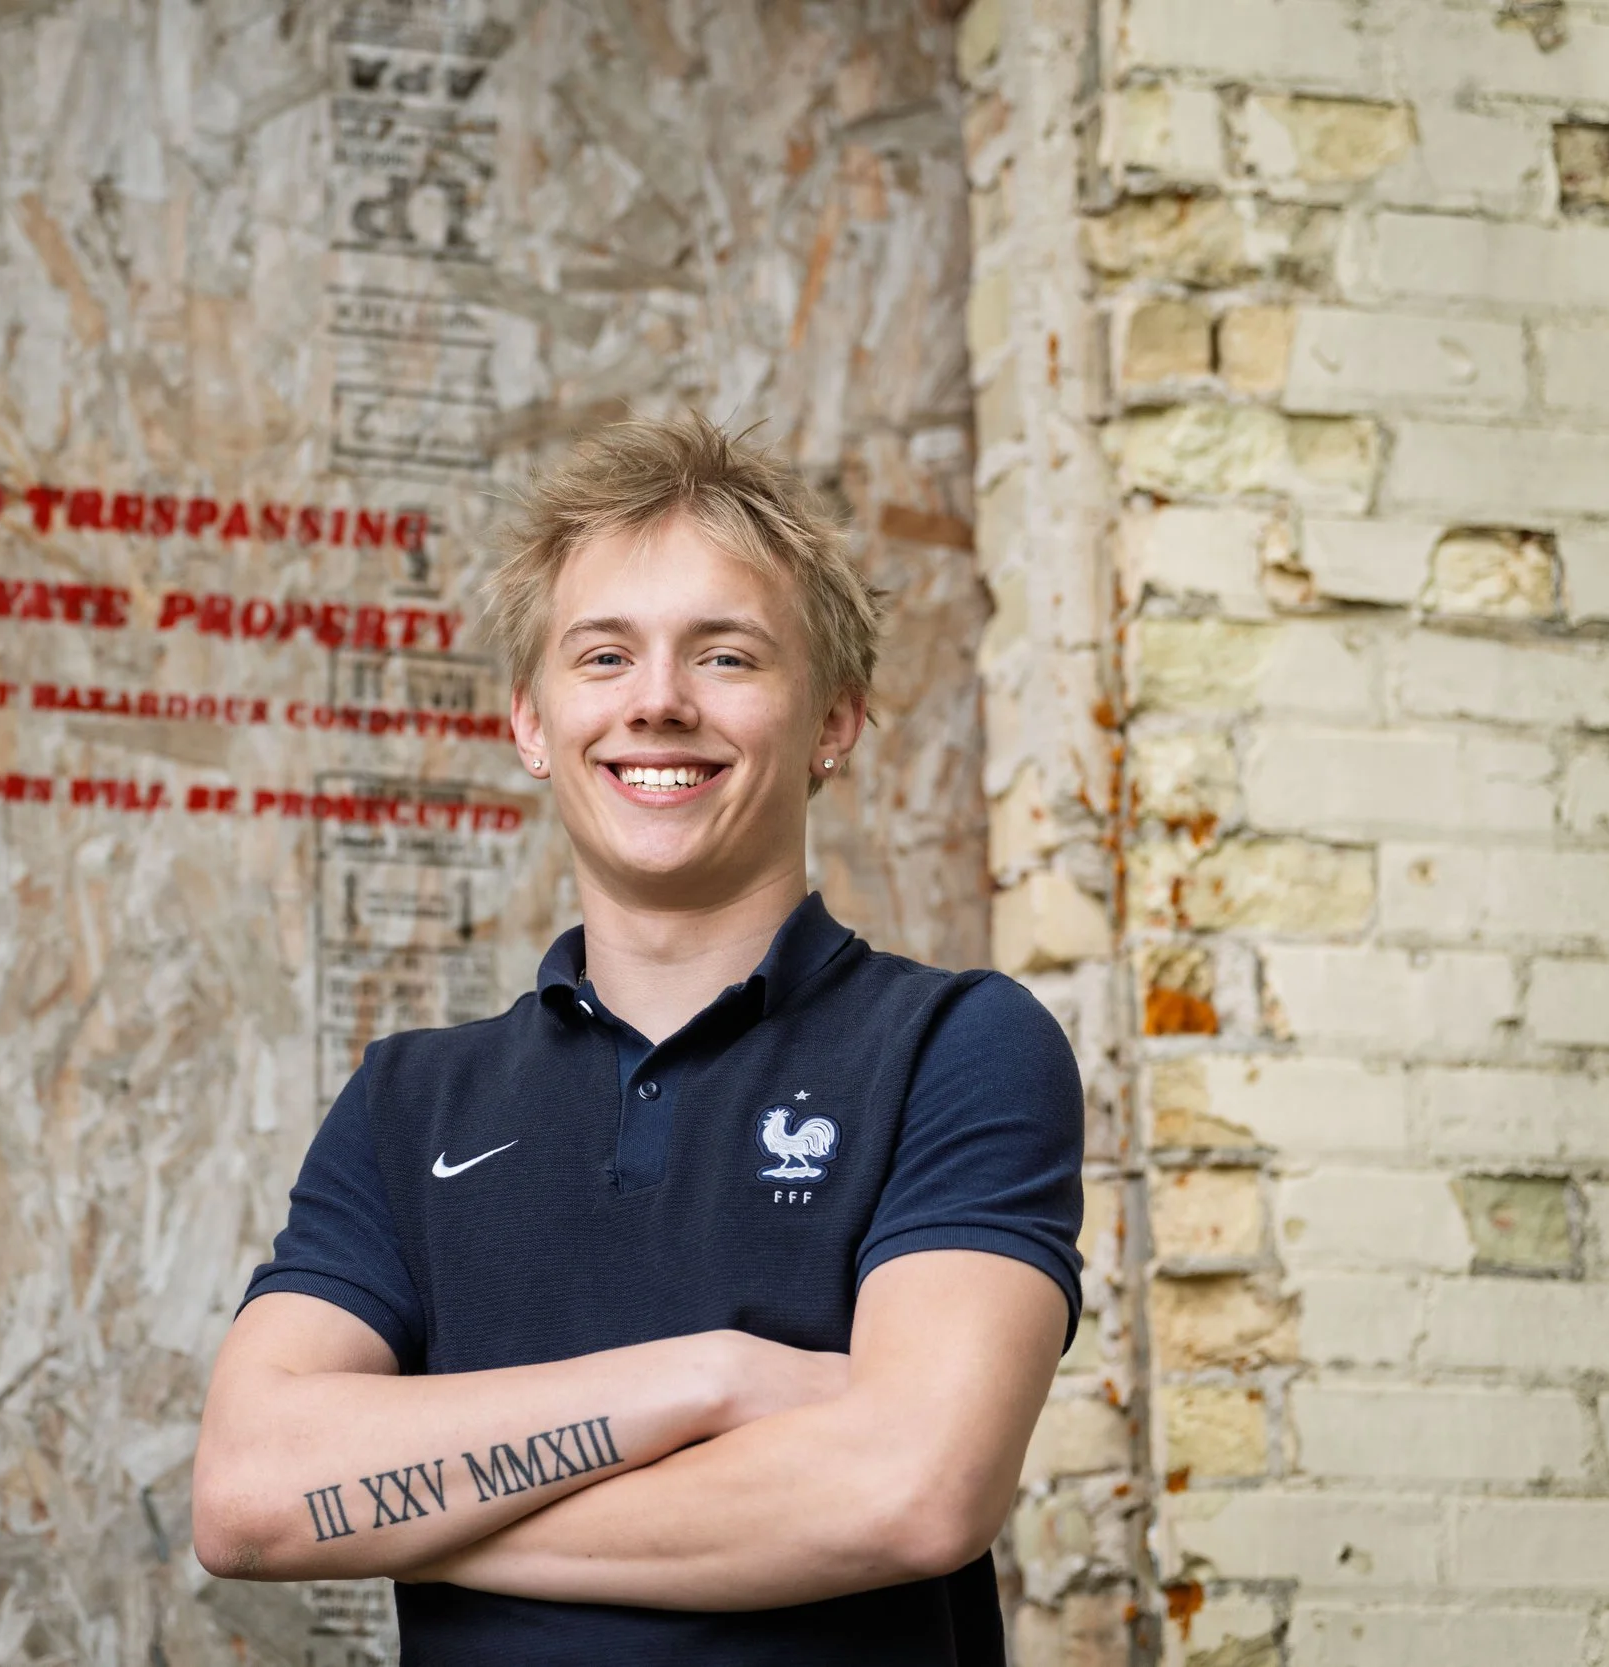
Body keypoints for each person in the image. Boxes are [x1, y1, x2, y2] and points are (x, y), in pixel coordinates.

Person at [191, 414, 1085, 1664]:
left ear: (833, 720)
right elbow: (245, 1493)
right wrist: (713, 1378)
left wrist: (418, 1510)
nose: (657, 703)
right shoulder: (411, 1101)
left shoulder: (957, 1044)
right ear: (531, 722)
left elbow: (912, 1489)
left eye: (724, 656)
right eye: (603, 656)